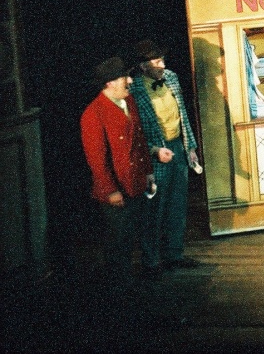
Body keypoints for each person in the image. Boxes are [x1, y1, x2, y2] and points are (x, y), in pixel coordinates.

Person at [130, 39, 201, 276]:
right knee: (154, 208)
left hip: (177, 147)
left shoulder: (171, 78)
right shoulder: (134, 88)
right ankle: (151, 261)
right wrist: (153, 150)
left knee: (177, 204)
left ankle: (174, 254)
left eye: (163, 60)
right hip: (154, 153)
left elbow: (182, 114)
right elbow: (134, 130)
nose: (162, 65)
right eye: (157, 62)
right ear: (143, 66)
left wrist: (190, 146)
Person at [80, 56, 154, 282]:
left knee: (138, 232)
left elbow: (140, 141)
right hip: (117, 190)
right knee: (119, 241)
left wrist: (148, 171)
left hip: (136, 182)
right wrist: (111, 190)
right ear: (110, 82)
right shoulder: (93, 114)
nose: (130, 81)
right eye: (125, 77)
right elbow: (97, 160)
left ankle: (138, 277)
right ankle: (119, 285)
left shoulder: (128, 102)